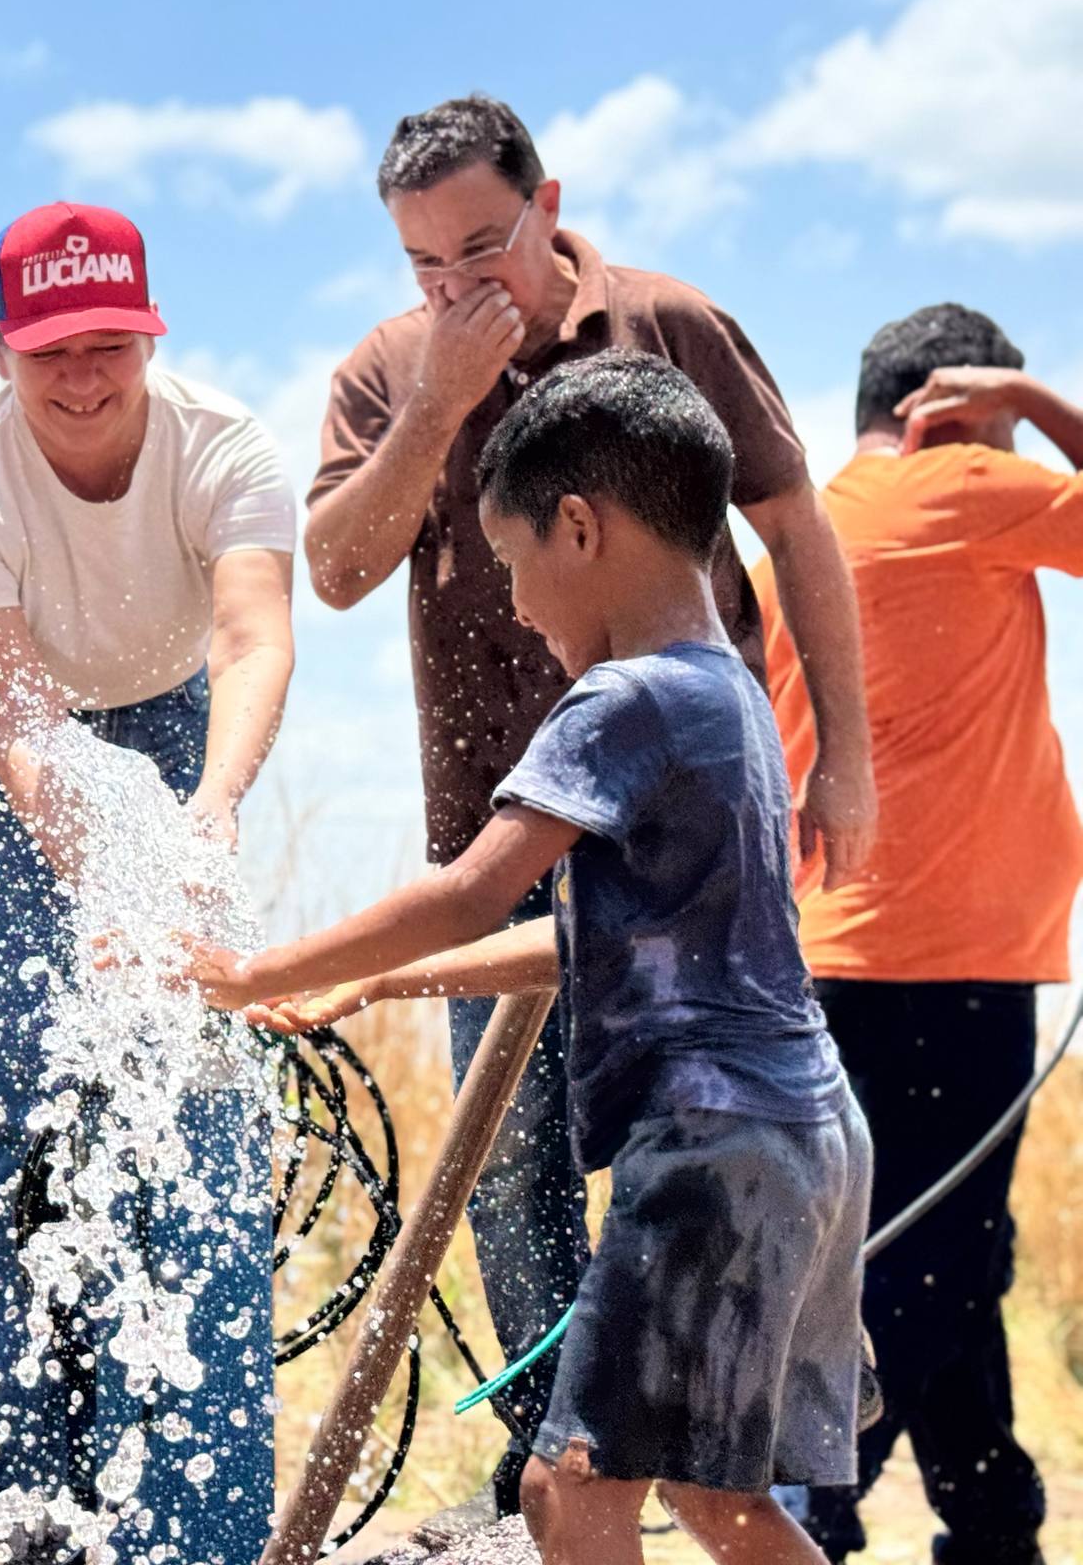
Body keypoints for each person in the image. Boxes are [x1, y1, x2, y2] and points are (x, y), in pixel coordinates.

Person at [303, 94, 876, 1511]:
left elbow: (798, 527)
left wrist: (844, 757)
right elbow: (333, 568)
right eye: (425, 268)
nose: (458, 289)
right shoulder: (386, 370)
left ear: (548, 202)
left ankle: (751, 1499)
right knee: (511, 1194)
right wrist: (437, 399)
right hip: (496, 838)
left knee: (711, 1162)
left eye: (484, 249)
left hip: (685, 850)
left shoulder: (670, 327)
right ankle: (556, 1491)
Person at [204, 353, 871, 1565]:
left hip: (710, 1139)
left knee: (570, 1490)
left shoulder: (624, 700)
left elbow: (469, 889)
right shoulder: (727, 695)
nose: (513, 604)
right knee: (716, 1498)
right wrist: (381, 980)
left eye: (511, 564)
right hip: (802, 1132)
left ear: (579, 527)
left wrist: (255, 972)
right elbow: (579, 941)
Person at [0, 202, 296, 1564]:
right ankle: (7, 1503)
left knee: (189, 1110)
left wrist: (210, 825)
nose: (83, 377)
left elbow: (249, 642)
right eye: (50, 348)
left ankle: (198, 1513)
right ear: (1, 346)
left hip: (177, 722)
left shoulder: (224, 445)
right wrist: (112, 892)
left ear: (148, 331)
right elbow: (16, 727)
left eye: (110, 343)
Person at [755, 305, 1082, 1565]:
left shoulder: (811, 515)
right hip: (946, 948)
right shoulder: (958, 480)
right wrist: (1041, 408)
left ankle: (993, 1526)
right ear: (947, 414)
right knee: (930, 1258)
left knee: (934, 1249)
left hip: (828, 946)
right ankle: (803, 1505)